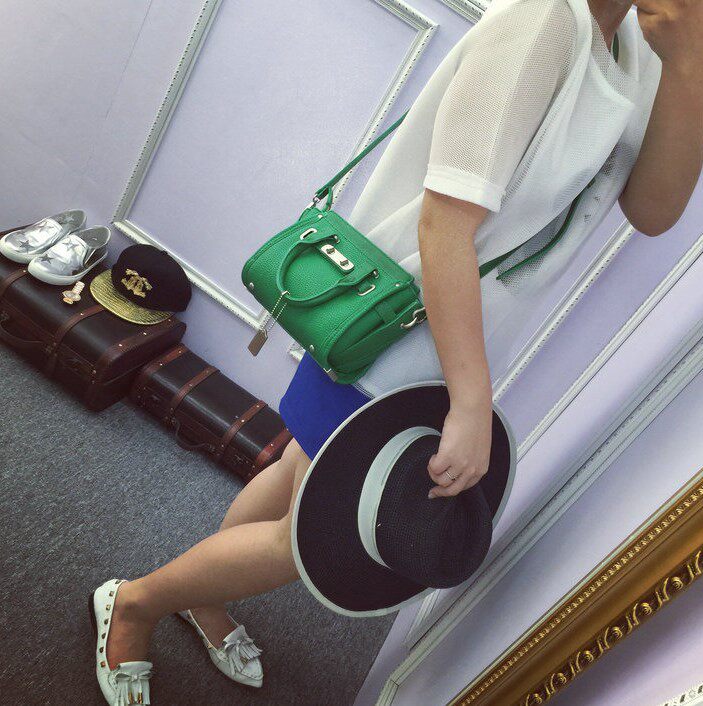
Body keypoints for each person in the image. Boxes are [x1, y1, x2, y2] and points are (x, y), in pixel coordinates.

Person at [91, 0, 703, 702]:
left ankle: (202, 596)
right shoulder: (542, 21)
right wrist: (471, 405)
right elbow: (443, 224)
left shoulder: (636, 47)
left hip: (451, 337)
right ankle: (135, 603)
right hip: (396, 324)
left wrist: (687, 63)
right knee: (307, 536)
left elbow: (652, 211)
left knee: (299, 468)